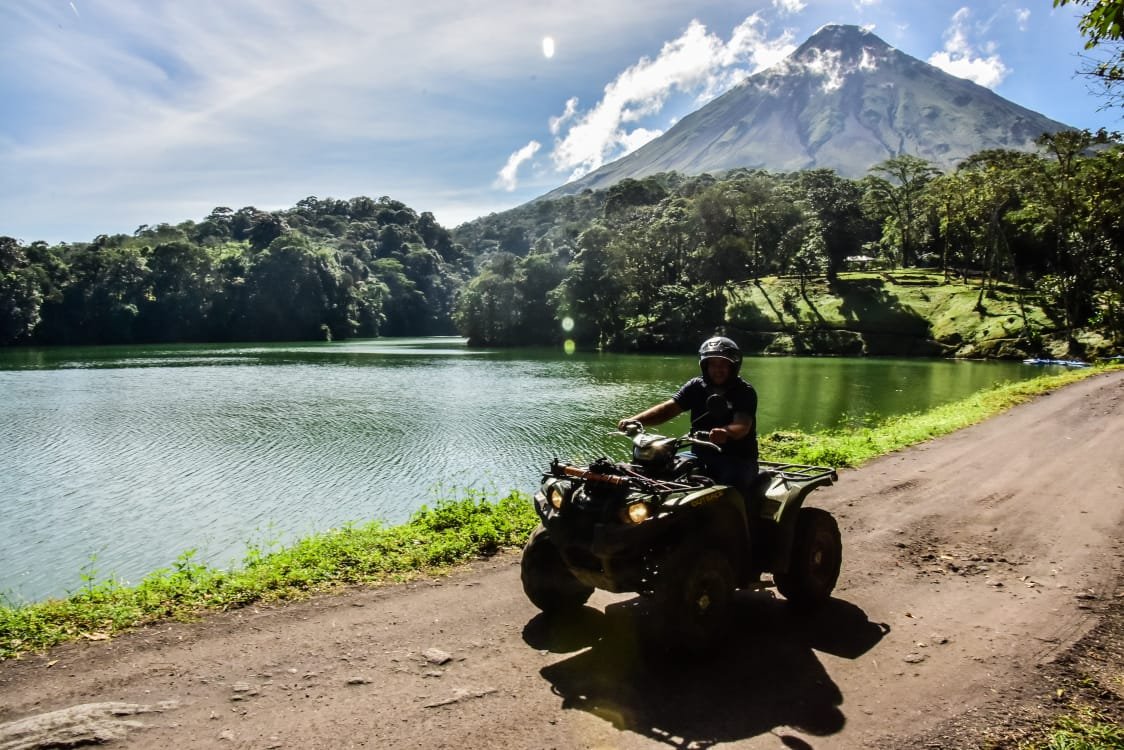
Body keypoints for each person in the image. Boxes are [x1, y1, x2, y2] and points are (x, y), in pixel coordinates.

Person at [617, 335, 759, 505]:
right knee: (658, 471)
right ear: (705, 366)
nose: (717, 369)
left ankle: (738, 520)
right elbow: (668, 409)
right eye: (713, 364)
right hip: (699, 453)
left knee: (727, 493)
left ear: (733, 366)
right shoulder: (696, 386)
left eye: (723, 364)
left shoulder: (744, 391)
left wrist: (725, 432)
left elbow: (742, 425)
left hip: (736, 459)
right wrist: (635, 421)